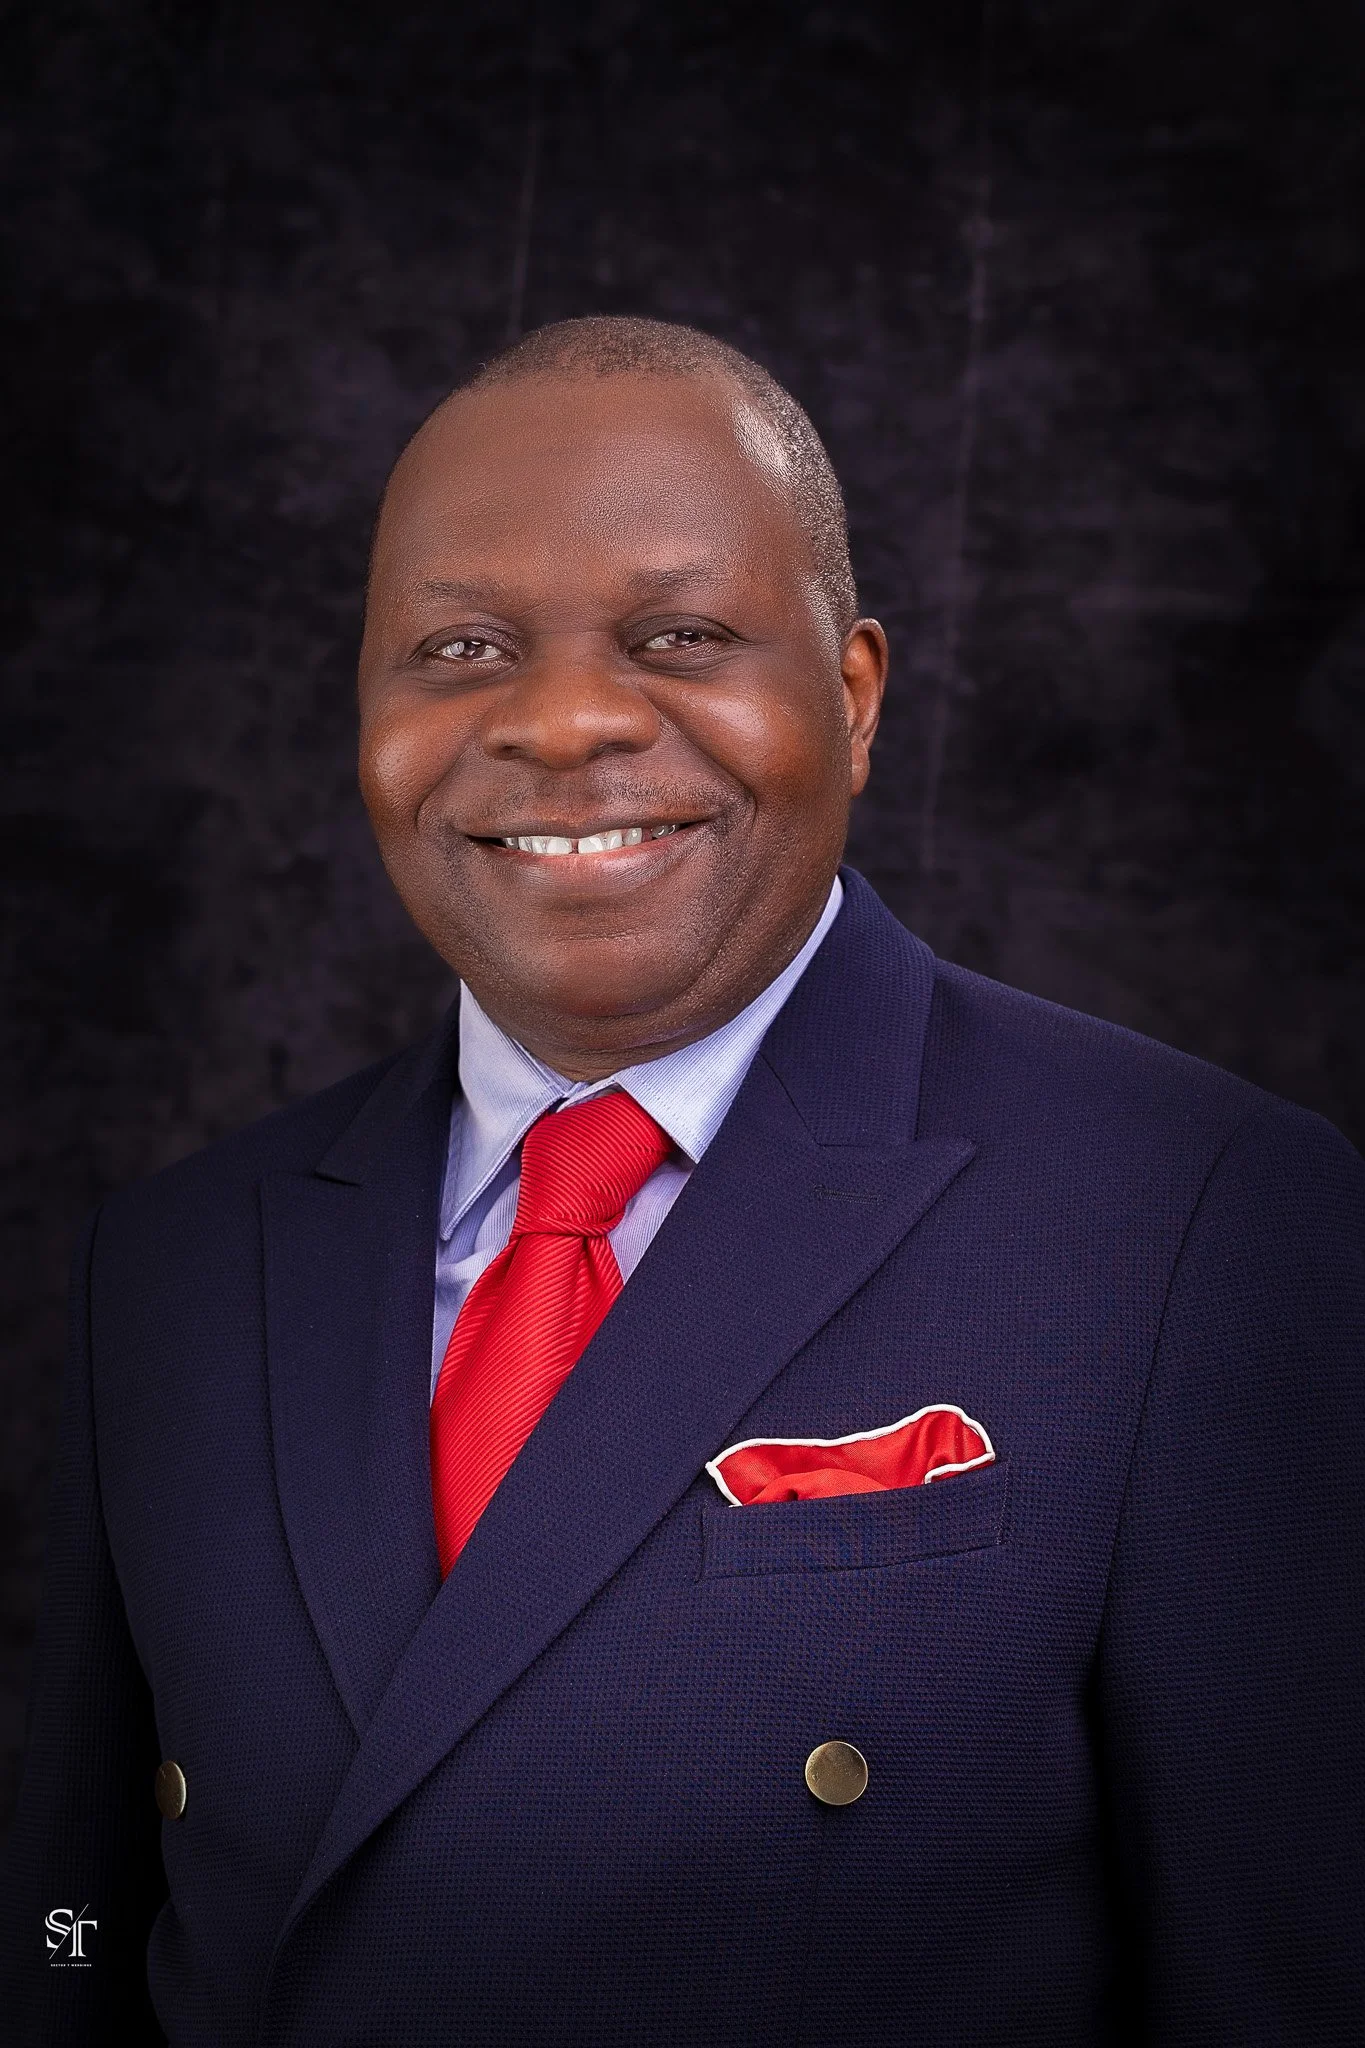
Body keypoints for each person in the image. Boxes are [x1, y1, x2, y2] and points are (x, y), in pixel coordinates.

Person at [2, 315, 1362, 2046]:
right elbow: (65, 1927)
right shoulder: (174, 1263)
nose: (562, 723)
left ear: (854, 700)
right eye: (461, 645)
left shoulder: (1198, 1217)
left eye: (682, 634)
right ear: (364, 707)